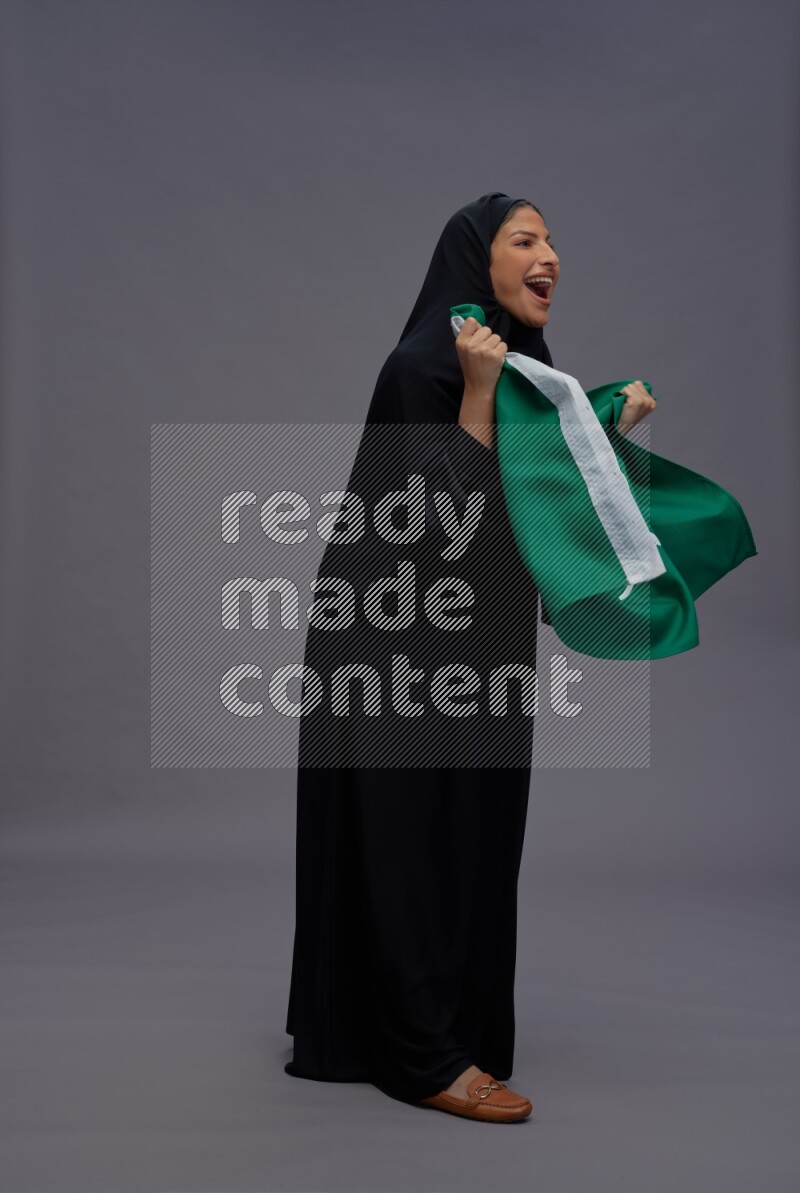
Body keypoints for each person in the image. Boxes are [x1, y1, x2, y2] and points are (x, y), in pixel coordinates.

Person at [282, 192, 653, 1123]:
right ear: (473, 266)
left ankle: (441, 1024)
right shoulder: (422, 366)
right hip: (394, 641)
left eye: (553, 240)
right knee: (413, 840)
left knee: (478, 833)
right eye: (525, 240)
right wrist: (479, 391)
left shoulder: (528, 365)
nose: (551, 256)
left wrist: (603, 428)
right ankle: (422, 1057)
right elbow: (435, 523)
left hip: (480, 641)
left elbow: (533, 503)